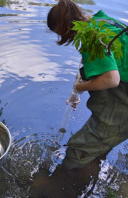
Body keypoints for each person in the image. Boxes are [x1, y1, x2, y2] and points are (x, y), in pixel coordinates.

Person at [47, 0, 128, 169]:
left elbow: (111, 79)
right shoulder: (100, 21)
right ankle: (95, 162)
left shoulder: (92, 38)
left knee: (77, 150)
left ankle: (61, 184)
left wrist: (80, 87)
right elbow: (90, 64)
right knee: (100, 144)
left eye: (59, 33)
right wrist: (76, 95)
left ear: (65, 29)